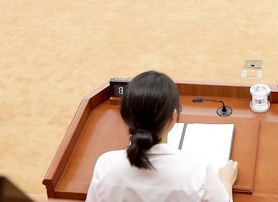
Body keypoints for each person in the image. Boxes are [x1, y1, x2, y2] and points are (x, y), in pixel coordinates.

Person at [87, 71, 237, 202]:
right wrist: (226, 181)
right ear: (173, 116)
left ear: (125, 117)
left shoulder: (105, 166)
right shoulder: (199, 171)